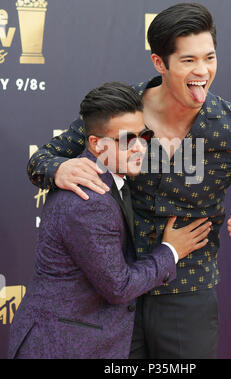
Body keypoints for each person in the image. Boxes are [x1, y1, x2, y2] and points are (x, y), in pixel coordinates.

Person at [27, 3, 231, 359]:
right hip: (113, 290)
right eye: (188, 61)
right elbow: (41, 160)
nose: (202, 71)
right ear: (160, 63)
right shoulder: (122, 111)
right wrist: (58, 170)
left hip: (187, 293)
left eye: (209, 58)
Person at [8, 82, 211, 359]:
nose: (140, 148)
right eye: (128, 140)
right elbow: (120, 287)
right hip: (63, 346)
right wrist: (171, 251)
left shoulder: (105, 175)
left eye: (145, 135)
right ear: (96, 144)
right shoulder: (90, 201)